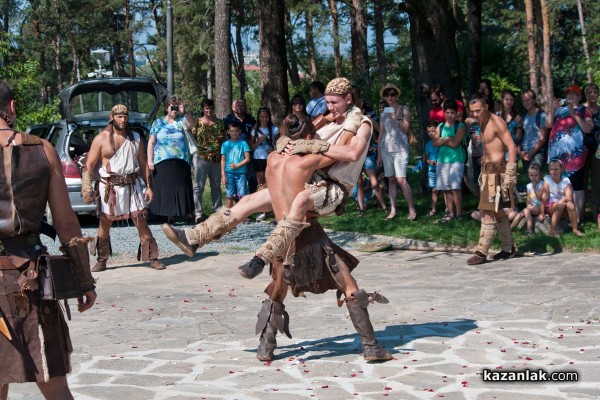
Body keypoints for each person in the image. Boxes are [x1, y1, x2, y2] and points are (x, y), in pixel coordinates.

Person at [163, 78, 392, 362]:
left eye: (335, 102)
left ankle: (264, 257)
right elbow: (300, 143)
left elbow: (352, 153)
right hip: (304, 181)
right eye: (328, 102)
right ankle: (195, 237)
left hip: (328, 190)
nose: (330, 107)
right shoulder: (325, 119)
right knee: (250, 200)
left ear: (349, 98)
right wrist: (288, 144)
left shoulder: (362, 123)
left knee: (296, 217)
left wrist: (310, 148)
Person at [0, 81, 96, 399]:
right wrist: (84, 280)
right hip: (29, 281)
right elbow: (67, 225)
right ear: (11, 107)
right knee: (54, 386)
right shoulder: (42, 149)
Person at [83, 104, 165, 271]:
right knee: (105, 222)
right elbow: (89, 166)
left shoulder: (135, 138)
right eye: (119, 116)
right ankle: (102, 259)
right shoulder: (101, 139)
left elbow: (143, 165)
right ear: (112, 117)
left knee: (140, 219)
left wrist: (149, 187)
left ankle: (152, 257)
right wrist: (86, 189)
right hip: (109, 187)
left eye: (125, 116)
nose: (123, 119)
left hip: (132, 185)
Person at [466, 94, 518, 265]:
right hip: (487, 170)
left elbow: (511, 146)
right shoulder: (481, 121)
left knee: (486, 211)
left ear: (486, 107)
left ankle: (481, 251)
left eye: (478, 111)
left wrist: (510, 171)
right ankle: (508, 247)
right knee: (497, 211)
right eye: (472, 111)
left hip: (497, 171)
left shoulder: (497, 122)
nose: (475, 114)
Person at [546, 84, 593, 222]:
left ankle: (578, 218)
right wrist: (553, 109)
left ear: (579, 96)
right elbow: (548, 124)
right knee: (560, 185)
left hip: (575, 155)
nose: (570, 96)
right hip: (557, 156)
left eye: (574, 94)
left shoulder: (584, 110)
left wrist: (574, 114)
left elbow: (588, 129)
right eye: (568, 94)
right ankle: (563, 216)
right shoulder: (559, 110)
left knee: (577, 185)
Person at [147, 95, 196, 223]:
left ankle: (187, 213)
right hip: (162, 160)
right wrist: (150, 160)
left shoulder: (182, 120)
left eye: (176, 107)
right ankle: (170, 215)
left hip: (181, 159)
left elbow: (193, 124)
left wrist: (184, 111)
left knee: (182, 187)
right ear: (166, 108)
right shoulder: (158, 122)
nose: (174, 109)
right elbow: (151, 142)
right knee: (167, 188)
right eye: (172, 107)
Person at [377, 83, 417, 221]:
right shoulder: (383, 113)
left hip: (400, 148)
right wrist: (379, 154)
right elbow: (381, 134)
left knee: (401, 180)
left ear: (396, 95)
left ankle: (412, 209)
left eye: (392, 94)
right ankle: (393, 210)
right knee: (391, 180)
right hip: (386, 149)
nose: (390, 97)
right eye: (387, 94)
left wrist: (396, 116)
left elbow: (406, 129)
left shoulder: (404, 109)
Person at [431, 99, 467, 222]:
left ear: (456, 113)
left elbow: (456, 143)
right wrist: (447, 138)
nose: (450, 115)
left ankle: (459, 214)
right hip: (442, 160)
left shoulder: (460, 126)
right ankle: (450, 213)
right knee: (446, 188)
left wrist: (442, 140)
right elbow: (434, 143)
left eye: (452, 112)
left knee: (455, 188)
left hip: (457, 160)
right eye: (447, 112)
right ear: (444, 113)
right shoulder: (440, 126)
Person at [191, 98, 226, 224]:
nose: (209, 110)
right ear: (203, 109)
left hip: (216, 159)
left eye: (211, 108)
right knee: (198, 186)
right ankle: (198, 213)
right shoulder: (197, 123)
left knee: (216, 186)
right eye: (206, 108)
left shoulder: (220, 123)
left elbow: (224, 141)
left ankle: (218, 210)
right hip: (201, 158)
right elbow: (191, 137)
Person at [250, 107, 279, 221]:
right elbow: (251, 147)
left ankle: (274, 208)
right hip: (258, 158)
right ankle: (263, 211)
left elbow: (279, 143)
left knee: (271, 183)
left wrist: (274, 150)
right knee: (261, 184)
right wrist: (259, 141)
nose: (264, 119)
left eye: (266, 116)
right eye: (262, 116)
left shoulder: (274, 129)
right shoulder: (254, 131)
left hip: (270, 158)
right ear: (258, 117)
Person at [542, 159, 583, 237]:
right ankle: (553, 230)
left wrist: (563, 200)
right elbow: (545, 197)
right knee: (559, 206)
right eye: (551, 169)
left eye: (556, 169)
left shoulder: (566, 180)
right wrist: (542, 212)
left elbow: (569, 197)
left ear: (561, 169)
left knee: (571, 205)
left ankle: (575, 229)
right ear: (549, 170)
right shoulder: (547, 179)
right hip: (552, 206)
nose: (553, 171)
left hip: (563, 203)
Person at [224, 99, 257, 193]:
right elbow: (223, 135)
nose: (240, 107)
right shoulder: (227, 120)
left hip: (249, 152)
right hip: (233, 154)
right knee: (235, 178)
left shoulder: (251, 119)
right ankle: (237, 200)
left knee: (251, 178)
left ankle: (250, 199)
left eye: (242, 105)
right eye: (237, 105)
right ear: (232, 107)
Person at [221, 120, 251, 208]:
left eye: (236, 131)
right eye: (232, 131)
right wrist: (223, 175)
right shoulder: (225, 144)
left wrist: (237, 165)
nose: (234, 133)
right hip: (229, 173)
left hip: (241, 173)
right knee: (229, 194)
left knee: (242, 195)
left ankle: (242, 215)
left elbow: (248, 158)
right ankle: (228, 214)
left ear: (240, 131)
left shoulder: (243, 143)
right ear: (228, 132)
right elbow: (223, 160)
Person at [518, 89, 548, 175]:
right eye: (523, 101)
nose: (526, 103)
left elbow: (543, 138)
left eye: (528, 100)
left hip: (537, 153)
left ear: (534, 100)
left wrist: (531, 153)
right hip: (525, 153)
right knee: (531, 180)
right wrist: (520, 152)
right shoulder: (524, 116)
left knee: (535, 178)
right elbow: (521, 137)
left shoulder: (541, 115)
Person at [582, 83, 600, 228]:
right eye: (590, 92)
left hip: (597, 150)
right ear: (585, 94)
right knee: (581, 180)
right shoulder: (580, 109)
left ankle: (595, 212)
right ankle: (580, 212)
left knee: (596, 181)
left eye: (595, 92)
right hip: (580, 150)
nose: (592, 94)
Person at [511, 164, 544, 235]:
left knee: (526, 210)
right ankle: (510, 229)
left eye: (536, 175)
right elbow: (528, 198)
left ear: (540, 175)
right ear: (529, 176)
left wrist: (535, 188)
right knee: (520, 214)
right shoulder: (529, 186)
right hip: (532, 206)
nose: (534, 178)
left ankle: (529, 231)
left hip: (540, 206)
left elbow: (539, 197)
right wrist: (528, 204)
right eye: (532, 175)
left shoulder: (542, 184)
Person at [497, 89, 522, 160]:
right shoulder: (497, 116)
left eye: (511, 100)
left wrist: (519, 126)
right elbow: (499, 134)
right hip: (499, 153)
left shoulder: (517, 116)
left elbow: (517, 139)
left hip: (511, 153)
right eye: (506, 99)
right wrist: (514, 123)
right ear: (502, 100)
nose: (509, 102)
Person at [424, 121, 440, 216]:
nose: (431, 133)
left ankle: (433, 209)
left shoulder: (441, 142)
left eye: (433, 131)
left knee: (436, 190)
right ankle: (433, 206)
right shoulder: (428, 145)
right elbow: (426, 157)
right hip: (431, 170)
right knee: (434, 189)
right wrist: (429, 161)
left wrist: (438, 161)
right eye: (429, 131)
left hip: (441, 169)